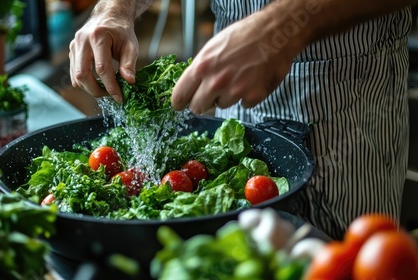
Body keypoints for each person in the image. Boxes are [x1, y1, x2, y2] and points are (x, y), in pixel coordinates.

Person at [69, 0, 416, 239]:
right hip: (231, 90)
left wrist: (280, 27)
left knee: (338, 258)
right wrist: (114, 9)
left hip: (344, 106)